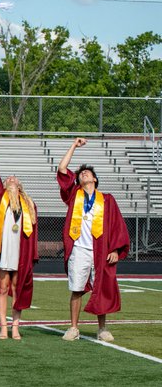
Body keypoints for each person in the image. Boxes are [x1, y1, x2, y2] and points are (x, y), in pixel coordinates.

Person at [57, 137, 130, 343]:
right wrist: (73, 145)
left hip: (100, 250)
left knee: (101, 288)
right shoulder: (74, 195)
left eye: (87, 173)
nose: (83, 174)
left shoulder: (107, 199)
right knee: (77, 288)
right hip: (79, 248)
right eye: (81, 174)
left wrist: (115, 249)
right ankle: (73, 328)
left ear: (95, 180)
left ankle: (102, 329)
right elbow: (62, 170)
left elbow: (117, 226)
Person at [0, 138, 39, 340]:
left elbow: (32, 232)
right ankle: (3, 326)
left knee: (17, 288)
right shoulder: (0, 199)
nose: (11, 179)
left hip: (21, 250)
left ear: (20, 185)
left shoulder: (29, 203)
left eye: (14, 178)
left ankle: (15, 326)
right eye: (8, 179)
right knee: (3, 287)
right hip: (4, 249)